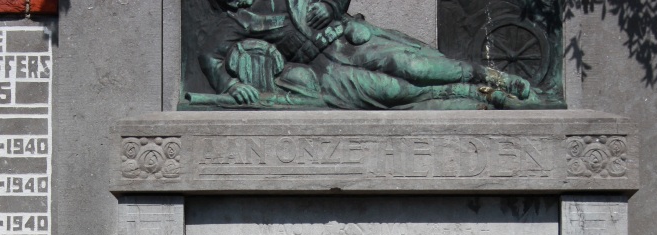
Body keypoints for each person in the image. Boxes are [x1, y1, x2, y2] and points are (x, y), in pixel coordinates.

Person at [197, 0, 537, 110]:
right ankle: (480, 95)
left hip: (350, 39)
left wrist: (328, 4)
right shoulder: (239, 20)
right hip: (325, 70)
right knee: (394, 92)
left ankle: (491, 75)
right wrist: (228, 86)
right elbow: (210, 56)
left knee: (413, 65)